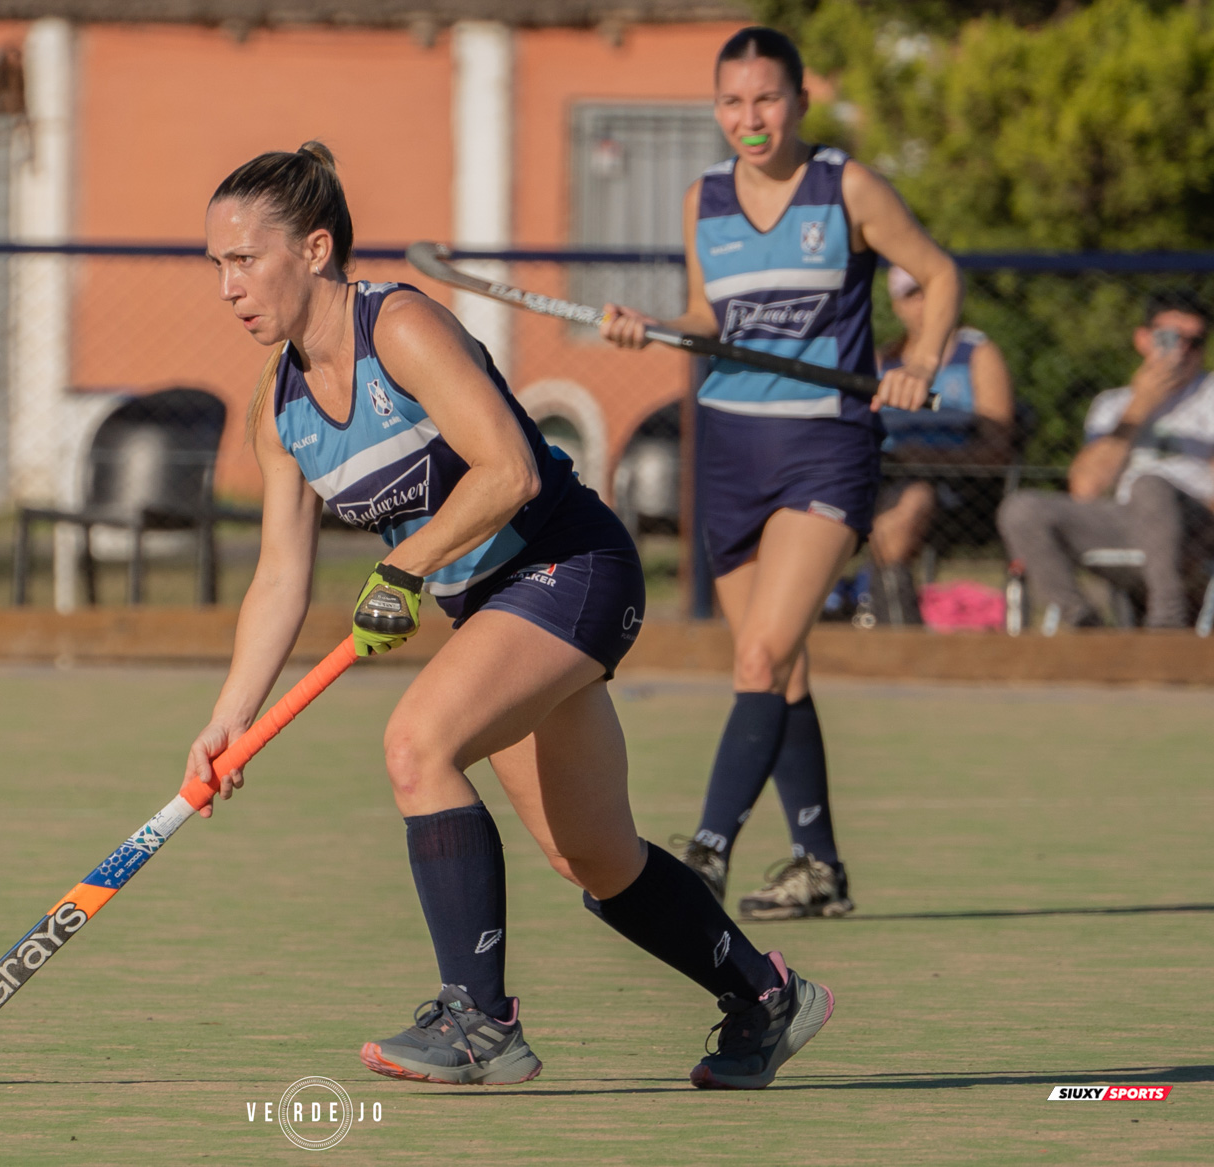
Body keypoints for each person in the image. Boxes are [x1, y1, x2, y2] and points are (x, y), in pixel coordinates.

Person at [190, 141, 833, 1092]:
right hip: (495, 605)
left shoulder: (399, 329)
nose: (228, 286)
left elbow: (510, 469)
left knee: (418, 742)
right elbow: (280, 575)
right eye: (218, 267)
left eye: (245, 260)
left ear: (316, 249)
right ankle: (767, 996)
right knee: (593, 856)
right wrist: (231, 714)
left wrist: (404, 566)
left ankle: (479, 1020)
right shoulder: (277, 405)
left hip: (572, 566)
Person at [599, 27, 959, 920]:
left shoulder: (848, 188)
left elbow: (939, 273)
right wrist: (658, 326)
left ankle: (706, 852)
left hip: (823, 447)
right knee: (780, 670)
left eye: (766, 100)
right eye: (731, 102)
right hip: (729, 451)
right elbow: (705, 316)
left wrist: (922, 355)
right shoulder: (704, 201)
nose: (749, 120)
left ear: (798, 101)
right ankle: (818, 865)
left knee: (759, 655)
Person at [997, 293, 1214, 629]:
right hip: (1123, 521)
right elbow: (1085, 489)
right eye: (1170, 338)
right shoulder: (1112, 405)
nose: (1182, 350)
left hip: (1196, 523)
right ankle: (1082, 621)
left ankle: (1168, 622)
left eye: (1195, 341)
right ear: (1143, 339)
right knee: (1022, 509)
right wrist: (1139, 406)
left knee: (1150, 485)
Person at [870, 264, 1016, 625]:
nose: (920, 302)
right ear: (895, 304)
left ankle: (898, 631)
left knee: (910, 502)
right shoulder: (881, 360)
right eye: (910, 294)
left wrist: (927, 457)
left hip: (960, 488)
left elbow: (997, 449)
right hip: (882, 477)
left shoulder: (976, 354)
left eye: (927, 291)